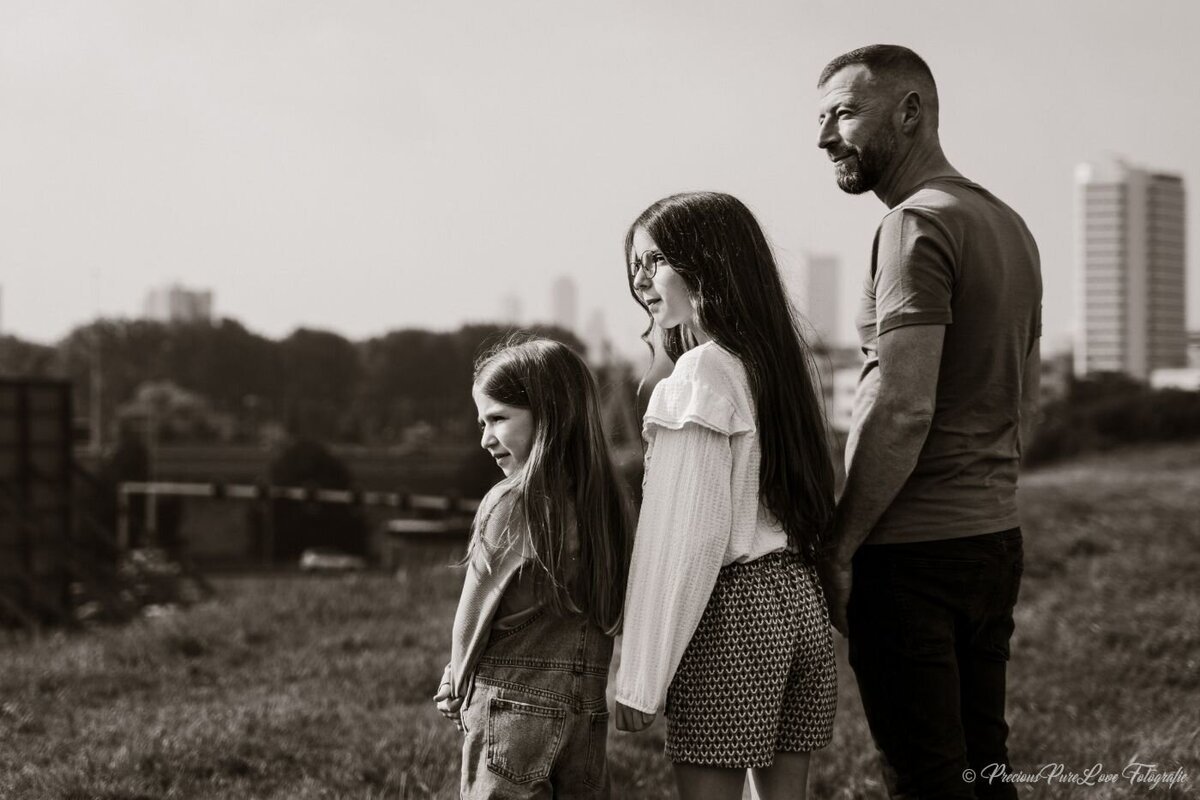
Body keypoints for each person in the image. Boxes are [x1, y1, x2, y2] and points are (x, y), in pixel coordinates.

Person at [814, 45, 1042, 799]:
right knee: (984, 766)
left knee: (928, 780)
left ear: (910, 111)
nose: (824, 138)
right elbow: (1024, 403)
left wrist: (843, 545)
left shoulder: (914, 225)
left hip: (912, 556)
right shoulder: (1006, 223)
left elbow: (904, 406)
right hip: (991, 540)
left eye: (843, 113)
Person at [613, 192, 837, 800]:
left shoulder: (702, 373)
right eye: (634, 265)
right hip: (797, 603)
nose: (639, 280)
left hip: (732, 613)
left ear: (707, 263)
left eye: (653, 260)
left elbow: (686, 537)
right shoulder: (778, 363)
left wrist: (641, 675)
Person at [433, 337, 635, 799]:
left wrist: (456, 678)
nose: (485, 438)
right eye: (482, 422)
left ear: (550, 414)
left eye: (498, 419)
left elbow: (475, 606)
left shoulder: (513, 500)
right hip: (586, 714)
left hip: (511, 707)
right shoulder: (608, 507)